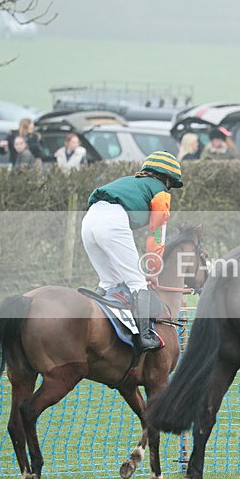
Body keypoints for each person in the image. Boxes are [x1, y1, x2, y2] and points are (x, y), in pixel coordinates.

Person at [81, 151, 183, 356]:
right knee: (137, 283)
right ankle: (146, 337)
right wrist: (153, 270)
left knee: (109, 281)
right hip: (112, 222)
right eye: (171, 183)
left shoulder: (129, 181)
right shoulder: (160, 192)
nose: (169, 187)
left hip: (89, 221)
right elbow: (157, 233)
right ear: (166, 178)